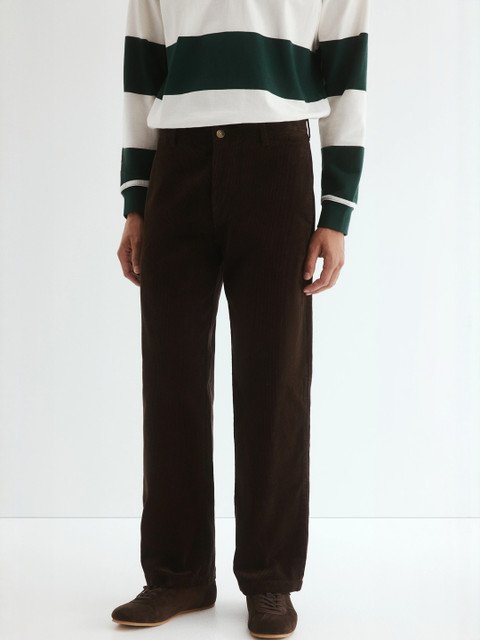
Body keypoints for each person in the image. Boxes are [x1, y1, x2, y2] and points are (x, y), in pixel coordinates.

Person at [112, 0, 369, 637]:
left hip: (276, 162)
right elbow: (143, 70)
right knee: (170, 378)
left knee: (275, 381)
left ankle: (270, 578)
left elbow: (347, 75)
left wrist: (337, 211)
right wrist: (136, 199)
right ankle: (177, 575)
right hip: (177, 165)